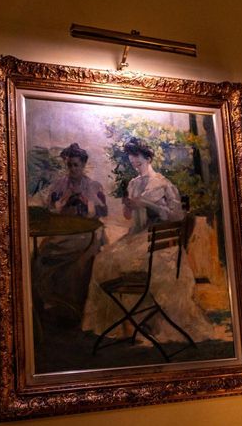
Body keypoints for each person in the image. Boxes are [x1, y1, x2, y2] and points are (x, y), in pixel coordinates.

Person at [81, 138, 216, 344]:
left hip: (160, 241)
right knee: (103, 260)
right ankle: (127, 323)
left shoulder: (162, 183)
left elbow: (176, 216)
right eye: (131, 157)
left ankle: (145, 319)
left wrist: (147, 204)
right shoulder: (133, 184)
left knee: (122, 260)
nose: (133, 161)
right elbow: (129, 217)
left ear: (148, 158)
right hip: (139, 237)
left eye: (137, 156)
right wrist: (129, 206)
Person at [32, 143, 108, 327]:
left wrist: (87, 204)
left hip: (87, 232)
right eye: (70, 165)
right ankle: (49, 305)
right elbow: (51, 209)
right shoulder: (60, 185)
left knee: (78, 264)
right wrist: (62, 204)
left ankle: (73, 310)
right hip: (64, 231)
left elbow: (102, 212)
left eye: (76, 165)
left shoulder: (93, 186)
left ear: (83, 165)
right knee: (42, 255)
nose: (73, 169)